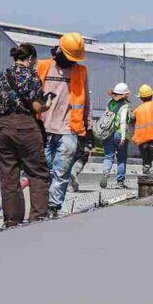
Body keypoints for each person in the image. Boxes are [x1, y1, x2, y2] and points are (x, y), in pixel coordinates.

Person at [0, 44, 53, 227]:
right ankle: (38, 219)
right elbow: (36, 106)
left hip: (2, 127)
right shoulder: (30, 75)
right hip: (24, 126)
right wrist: (47, 104)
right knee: (38, 172)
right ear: (31, 59)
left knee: (9, 175)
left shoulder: (0, 76)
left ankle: (12, 222)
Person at [37, 32, 91, 216]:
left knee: (62, 172)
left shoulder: (81, 71)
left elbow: (86, 103)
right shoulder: (43, 67)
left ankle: (53, 207)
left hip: (69, 129)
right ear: (60, 50)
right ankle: (41, 205)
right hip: (42, 128)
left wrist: (87, 129)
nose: (71, 62)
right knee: (44, 171)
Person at [100, 83, 132, 189]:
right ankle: (120, 182)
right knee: (121, 159)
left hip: (108, 133)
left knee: (108, 156)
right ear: (125, 95)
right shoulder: (125, 106)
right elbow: (123, 122)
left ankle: (105, 172)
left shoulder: (109, 102)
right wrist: (123, 137)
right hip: (119, 134)